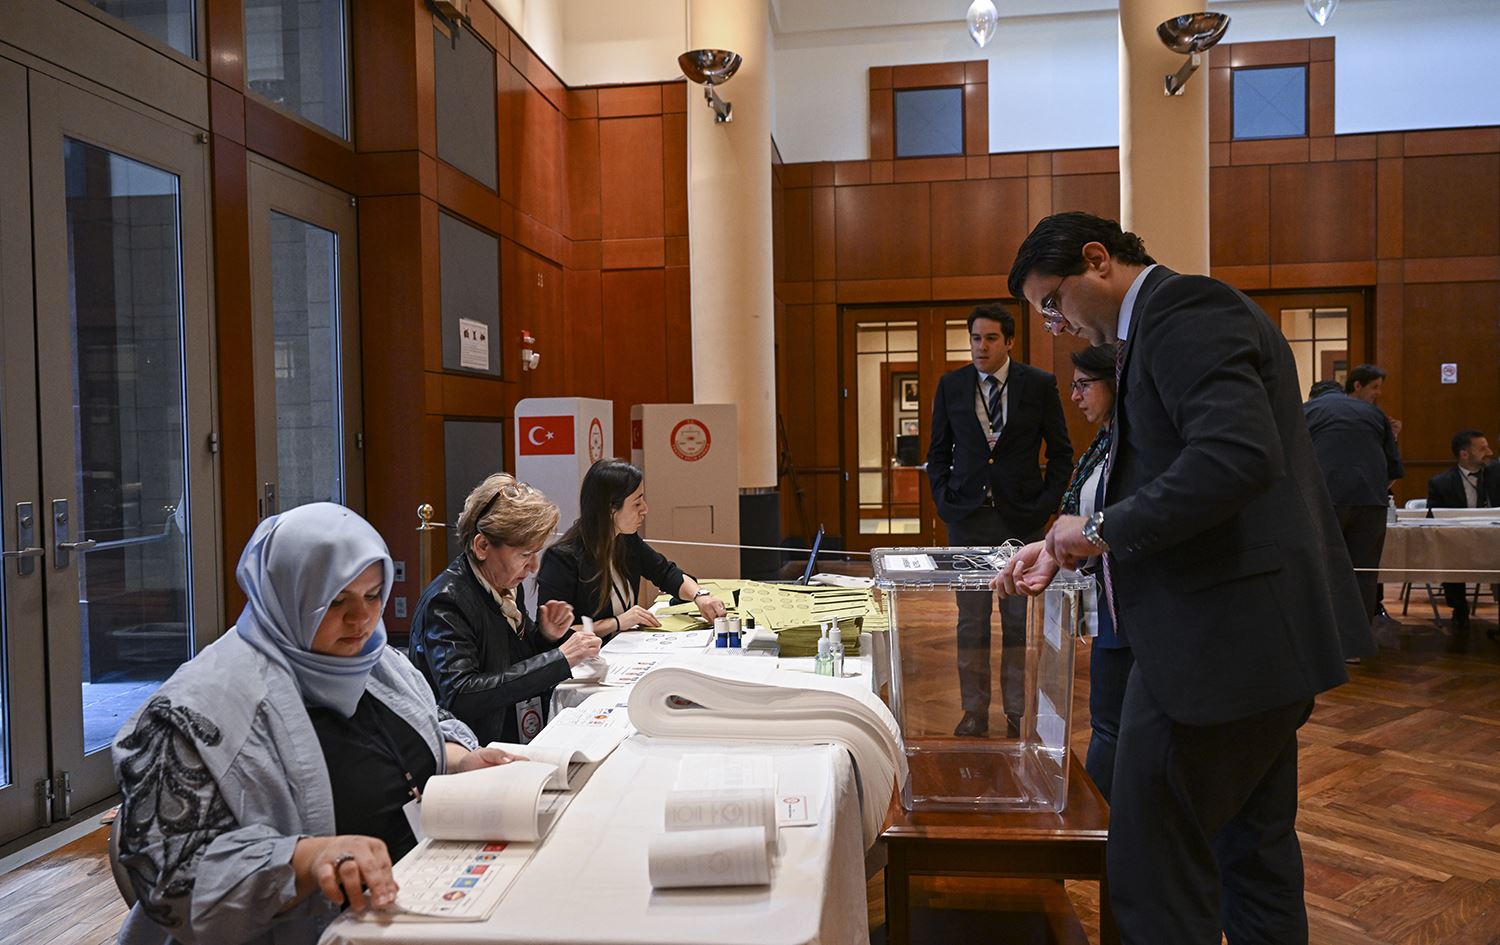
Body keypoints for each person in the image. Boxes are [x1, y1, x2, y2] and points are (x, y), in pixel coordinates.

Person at [994, 212, 1369, 944]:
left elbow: (1235, 457)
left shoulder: (1185, 310)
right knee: (1251, 856)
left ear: (1096, 261)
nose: (1055, 325)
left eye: (1051, 303)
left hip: (1215, 649)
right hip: (1252, 646)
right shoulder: (1158, 328)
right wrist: (1072, 546)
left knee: (1153, 863)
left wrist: (1097, 531)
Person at [110, 503, 522, 945]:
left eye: (372, 596)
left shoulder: (375, 660)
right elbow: (172, 879)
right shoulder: (197, 709)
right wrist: (305, 858)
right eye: (336, 602)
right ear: (286, 597)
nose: (361, 619)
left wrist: (458, 761)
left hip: (410, 905)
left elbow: (429, 723)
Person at [928, 302, 1072, 738]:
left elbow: (1061, 452)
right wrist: (944, 499)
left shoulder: (1038, 384)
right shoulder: (951, 386)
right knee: (970, 622)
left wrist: (1047, 504)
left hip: (1021, 524)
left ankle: (1015, 712)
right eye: (975, 338)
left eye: (991, 338)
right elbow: (937, 453)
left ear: (1008, 341)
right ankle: (973, 710)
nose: (981, 346)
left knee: (1016, 622)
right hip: (967, 521)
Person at [408, 474, 600, 746]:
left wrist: (545, 636)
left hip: (512, 732)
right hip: (472, 748)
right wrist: (559, 660)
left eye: (536, 554)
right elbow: (462, 695)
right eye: (525, 555)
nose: (534, 567)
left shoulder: (506, 584)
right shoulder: (447, 601)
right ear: (482, 546)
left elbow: (513, 661)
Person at [538, 459, 727, 639]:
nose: (644, 509)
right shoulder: (562, 559)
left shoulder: (626, 540)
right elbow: (558, 633)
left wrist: (700, 596)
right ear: (610, 509)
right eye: (637, 503)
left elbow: (666, 572)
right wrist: (616, 623)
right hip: (585, 663)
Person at [1059, 343, 1132, 802]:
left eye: (1084, 385)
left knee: (1112, 725)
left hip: (1129, 601)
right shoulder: (1105, 439)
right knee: (1107, 720)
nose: (1076, 396)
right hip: (1106, 597)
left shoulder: (1131, 443)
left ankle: (1099, 825)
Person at [1303, 374, 1404, 644]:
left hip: (1324, 500)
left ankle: (1321, 641)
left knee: (1321, 568)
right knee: (1363, 572)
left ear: (1314, 396)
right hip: (1371, 501)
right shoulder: (1373, 413)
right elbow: (1393, 468)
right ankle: (1356, 643)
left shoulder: (1306, 411)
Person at [1427, 429, 1495, 634]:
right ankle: (1459, 609)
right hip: (1457, 540)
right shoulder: (1440, 483)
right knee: (1449, 554)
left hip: (1492, 539)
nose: (1490, 452)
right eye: (1482, 449)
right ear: (1465, 454)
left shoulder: (1496, 476)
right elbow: (1433, 517)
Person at [1344, 363, 1402, 440]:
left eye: (1379, 388)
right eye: (1375, 387)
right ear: (1357, 386)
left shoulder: (1375, 415)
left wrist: (1391, 434)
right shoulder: (1338, 412)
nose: (1379, 393)